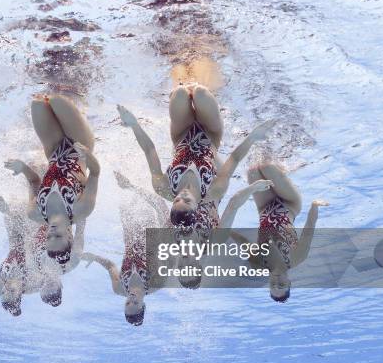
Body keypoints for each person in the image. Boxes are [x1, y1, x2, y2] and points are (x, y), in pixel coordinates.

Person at [117, 83, 275, 239]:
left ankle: (184, 91)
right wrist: (253, 137)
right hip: (210, 133)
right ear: (196, 208)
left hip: (181, 133)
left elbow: (149, 150)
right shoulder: (214, 190)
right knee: (200, 93)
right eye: (186, 200)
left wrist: (134, 125)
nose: (182, 195)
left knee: (179, 94)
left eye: (177, 199)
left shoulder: (163, 187)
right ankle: (205, 94)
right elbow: (234, 158)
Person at [0, 195, 89, 315]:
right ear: (21, 292)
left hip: (17, 227)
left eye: (4, 291)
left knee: (17, 200)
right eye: (11, 290)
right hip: (36, 229)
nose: (6, 287)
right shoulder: (35, 281)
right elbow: (51, 272)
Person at [4, 94, 100, 266]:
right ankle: (85, 97)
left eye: (49, 237)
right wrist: (87, 153)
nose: (51, 232)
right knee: (57, 99)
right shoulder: (82, 209)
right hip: (80, 144)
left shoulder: (34, 213)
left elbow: (34, 182)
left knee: (38, 102)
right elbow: (95, 173)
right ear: (70, 235)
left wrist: (23, 168)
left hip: (53, 150)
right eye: (58, 236)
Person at [227, 163, 329, 302]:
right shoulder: (298, 257)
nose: (276, 281)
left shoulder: (258, 262)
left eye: (273, 284)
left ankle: (279, 168)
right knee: (266, 166)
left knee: (252, 170)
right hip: (289, 203)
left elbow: (243, 242)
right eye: (281, 284)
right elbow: (308, 229)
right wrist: (314, 205)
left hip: (264, 207)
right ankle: (289, 166)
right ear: (289, 282)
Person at [84, 177, 174, 326]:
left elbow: (110, 266)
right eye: (135, 303)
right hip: (151, 229)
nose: (131, 299)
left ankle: (129, 178)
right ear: (143, 305)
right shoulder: (156, 283)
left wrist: (94, 257)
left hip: (130, 231)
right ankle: (133, 184)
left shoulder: (119, 289)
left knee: (124, 200)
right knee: (157, 202)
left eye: (127, 304)